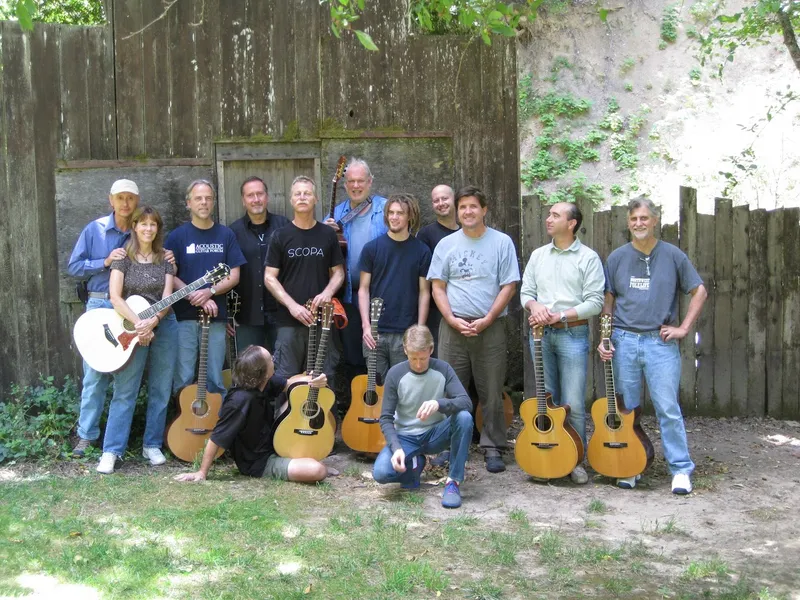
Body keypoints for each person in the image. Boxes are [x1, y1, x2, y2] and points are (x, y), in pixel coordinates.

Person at [598, 197, 707, 494]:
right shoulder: (617, 258)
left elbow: (699, 291)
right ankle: (632, 466)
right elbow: (608, 301)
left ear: (655, 220)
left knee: (667, 408)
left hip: (659, 343)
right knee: (627, 410)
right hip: (624, 341)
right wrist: (604, 337)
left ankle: (681, 469)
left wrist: (684, 328)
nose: (638, 224)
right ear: (628, 223)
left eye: (644, 218)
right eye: (633, 219)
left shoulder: (672, 255)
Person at [427, 185, 520, 473]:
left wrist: (489, 318)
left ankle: (493, 446)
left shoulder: (502, 242)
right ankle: (446, 444)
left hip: (489, 326)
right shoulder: (446, 245)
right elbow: (437, 287)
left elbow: (509, 285)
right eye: (463, 207)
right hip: (452, 327)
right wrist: (451, 319)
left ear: (484, 209)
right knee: (447, 389)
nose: (467, 211)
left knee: (491, 389)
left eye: (473, 206)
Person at [519, 202, 605, 485]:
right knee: (547, 402)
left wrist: (560, 315)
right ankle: (549, 458)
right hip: (540, 335)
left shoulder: (588, 258)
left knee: (573, 403)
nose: (548, 219)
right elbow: (526, 293)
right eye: (548, 214)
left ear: (572, 223)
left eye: (555, 215)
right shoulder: (538, 255)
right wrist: (535, 307)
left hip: (573, 334)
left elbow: (595, 302)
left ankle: (574, 461)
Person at [96, 207, 178, 474]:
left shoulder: (164, 259)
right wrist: (140, 324)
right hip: (130, 326)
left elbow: (167, 297)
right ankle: (112, 450)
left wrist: (153, 321)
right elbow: (115, 296)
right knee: (125, 389)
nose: (148, 229)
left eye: (153, 224)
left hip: (163, 325)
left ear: (158, 229)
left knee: (161, 388)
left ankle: (151, 445)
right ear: (134, 226)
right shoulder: (122, 258)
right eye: (143, 224)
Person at [174, 345, 329, 483]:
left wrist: (315, 380)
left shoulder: (265, 382)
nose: (274, 360)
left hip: (276, 447)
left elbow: (291, 384)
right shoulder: (239, 401)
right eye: (271, 359)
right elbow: (217, 437)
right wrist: (202, 472)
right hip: (258, 463)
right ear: (263, 372)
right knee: (318, 470)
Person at [67, 179, 140, 457]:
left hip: (129, 308)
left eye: (130, 198)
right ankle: (86, 436)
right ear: (111, 200)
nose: (125, 203)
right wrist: (105, 262)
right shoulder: (94, 230)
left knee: (127, 377)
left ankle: (116, 442)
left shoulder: (140, 231)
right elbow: (74, 266)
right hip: (98, 306)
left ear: (136, 201)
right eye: (120, 198)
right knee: (94, 374)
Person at [373, 325, 473, 508]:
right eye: (413, 358)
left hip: (436, 434)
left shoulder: (443, 369)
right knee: (381, 473)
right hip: (405, 437)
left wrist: (439, 404)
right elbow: (386, 418)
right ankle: (414, 465)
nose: (418, 364)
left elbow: (466, 402)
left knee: (464, 417)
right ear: (405, 350)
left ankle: (453, 482)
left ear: (431, 350)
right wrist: (396, 448)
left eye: (423, 358)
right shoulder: (395, 374)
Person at [165, 180, 246, 396]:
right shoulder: (176, 237)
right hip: (184, 317)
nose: (204, 202)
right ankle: (183, 425)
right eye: (199, 198)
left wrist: (209, 292)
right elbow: (169, 275)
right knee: (183, 376)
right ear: (188, 203)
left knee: (215, 377)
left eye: (208, 198)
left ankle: (215, 425)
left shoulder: (225, 235)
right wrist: (194, 295)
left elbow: (234, 275)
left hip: (216, 317)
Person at [265, 176, 345, 382]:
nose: (302, 197)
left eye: (307, 193)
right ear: (291, 200)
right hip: (289, 321)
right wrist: (292, 306)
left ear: (315, 199)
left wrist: (327, 293)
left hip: (323, 320)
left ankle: (327, 416)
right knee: (285, 379)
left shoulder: (327, 234)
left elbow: (338, 272)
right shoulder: (280, 235)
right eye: (298, 194)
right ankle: (286, 416)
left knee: (325, 379)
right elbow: (269, 278)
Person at [358, 193, 431, 382]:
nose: (394, 217)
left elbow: (424, 292)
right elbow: (363, 289)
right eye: (391, 212)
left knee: (404, 388)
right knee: (377, 389)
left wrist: (420, 329)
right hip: (375, 333)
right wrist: (366, 326)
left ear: (410, 217)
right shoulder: (371, 249)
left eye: (400, 213)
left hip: (406, 333)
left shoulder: (421, 250)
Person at [325, 158, 388, 372]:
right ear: (344, 185)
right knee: (354, 354)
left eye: (360, 181)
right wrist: (325, 234)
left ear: (370, 182)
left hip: (382, 293)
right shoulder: (336, 214)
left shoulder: (386, 209)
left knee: (382, 351)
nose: (355, 186)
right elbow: (323, 254)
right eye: (351, 181)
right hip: (350, 296)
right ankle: (357, 403)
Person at [229, 176, 290, 353]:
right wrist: (227, 316)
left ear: (267, 197)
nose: (256, 199)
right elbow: (226, 273)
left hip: (282, 314)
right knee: (249, 372)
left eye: (260, 194)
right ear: (243, 200)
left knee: (284, 370)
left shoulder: (284, 226)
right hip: (246, 316)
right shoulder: (233, 232)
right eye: (250, 195)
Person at [416, 184, 460, 357]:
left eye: (445, 198)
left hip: (465, 309)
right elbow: (423, 281)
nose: (441, 203)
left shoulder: (468, 231)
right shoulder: (426, 235)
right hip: (437, 311)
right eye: (436, 200)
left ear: (454, 199)